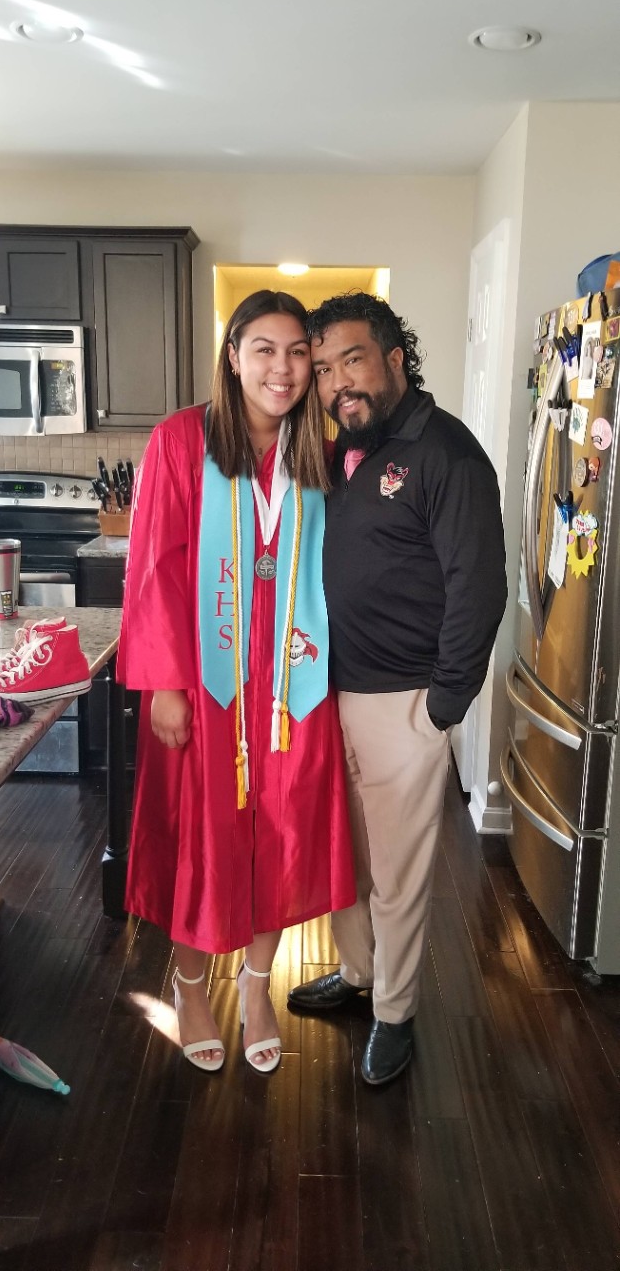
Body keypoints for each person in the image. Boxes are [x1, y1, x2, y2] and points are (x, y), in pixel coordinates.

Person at [117, 290, 355, 1075]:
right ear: (233, 354)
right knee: (204, 839)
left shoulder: (315, 449)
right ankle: (188, 987)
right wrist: (165, 684)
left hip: (292, 690)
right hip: (207, 685)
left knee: (278, 842)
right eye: (265, 350)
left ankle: (255, 989)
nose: (282, 369)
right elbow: (152, 568)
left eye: (297, 354)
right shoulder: (181, 440)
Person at [288, 292, 508, 1085]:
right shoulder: (347, 451)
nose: (338, 382)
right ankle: (356, 977)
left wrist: (441, 709)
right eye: (322, 370)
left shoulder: (445, 453)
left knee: (399, 870)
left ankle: (395, 1012)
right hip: (332, 693)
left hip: (405, 702)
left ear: (394, 360)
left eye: (351, 360)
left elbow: (479, 588)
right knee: (345, 855)